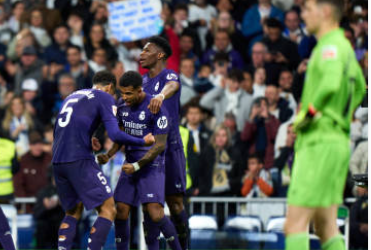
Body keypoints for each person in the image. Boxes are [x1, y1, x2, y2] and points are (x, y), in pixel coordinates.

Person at [283, 1, 366, 250]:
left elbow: (329, 84)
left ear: (325, 11)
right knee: (326, 226)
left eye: (308, 9)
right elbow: (361, 87)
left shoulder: (328, 46)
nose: (303, 15)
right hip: (338, 142)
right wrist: (340, 116)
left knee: (295, 225)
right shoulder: (347, 49)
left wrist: (307, 116)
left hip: (318, 142)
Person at [52, 70, 155, 250]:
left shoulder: (73, 95)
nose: (115, 98)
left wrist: (87, 137)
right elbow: (114, 134)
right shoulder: (104, 97)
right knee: (108, 209)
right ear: (109, 87)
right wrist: (142, 140)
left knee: (73, 212)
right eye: (115, 93)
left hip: (58, 159)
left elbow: (61, 127)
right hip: (79, 160)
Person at [97, 71, 182, 250]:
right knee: (120, 211)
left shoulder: (155, 107)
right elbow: (119, 136)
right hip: (130, 165)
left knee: (156, 214)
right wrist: (109, 154)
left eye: (128, 93)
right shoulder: (121, 106)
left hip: (151, 165)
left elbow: (159, 146)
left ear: (139, 90)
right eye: (121, 92)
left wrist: (137, 165)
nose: (124, 97)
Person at [140, 36, 189, 250]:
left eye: (146, 50)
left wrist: (160, 95)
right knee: (148, 207)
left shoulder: (169, 75)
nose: (141, 54)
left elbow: (173, 85)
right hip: (148, 148)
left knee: (175, 203)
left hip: (170, 148)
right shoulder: (141, 82)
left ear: (159, 55)